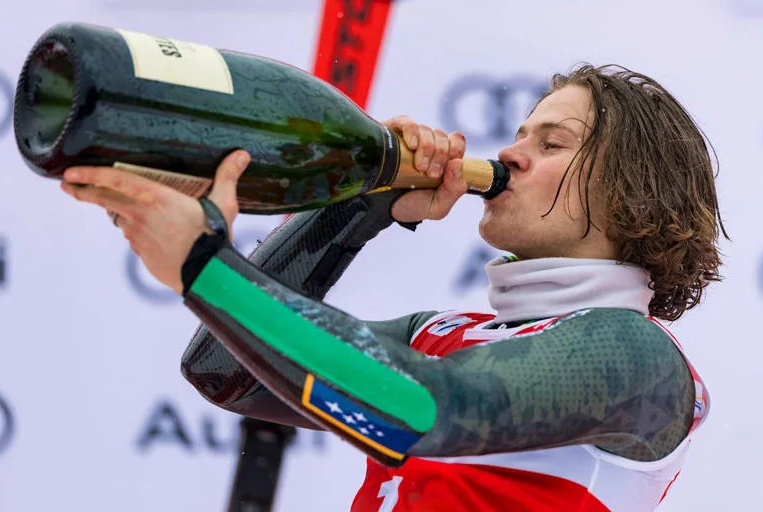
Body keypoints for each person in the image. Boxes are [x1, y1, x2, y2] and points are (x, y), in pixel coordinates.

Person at [59, 64, 727, 511]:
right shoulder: (442, 335)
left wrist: (207, 265)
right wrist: (365, 201)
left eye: (553, 144)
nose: (510, 153)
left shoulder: (637, 356)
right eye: (520, 133)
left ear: (634, 192)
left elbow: (419, 410)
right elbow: (222, 372)